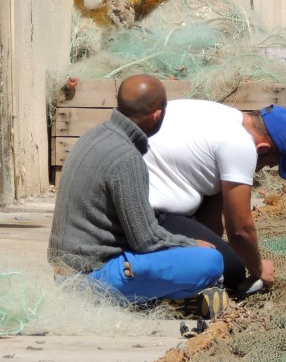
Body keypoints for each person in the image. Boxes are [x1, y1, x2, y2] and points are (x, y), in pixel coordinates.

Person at [48, 74, 225, 308]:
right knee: (211, 261)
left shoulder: (94, 135)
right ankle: (149, 290)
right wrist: (190, 244)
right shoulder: (126, 158)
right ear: (157, 115)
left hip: (65, 272)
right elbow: (146, 240)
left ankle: (154, 291)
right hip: (93, 277)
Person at [144, 99, 286, 293]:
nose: (266, 168)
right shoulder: (241, 144)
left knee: (222, 254)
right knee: (231, 269)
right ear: (262, 148)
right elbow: (240, 230)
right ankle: (146, 274)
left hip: (131, 201)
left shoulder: (221, 116)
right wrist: (259, 268)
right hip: (148, 218)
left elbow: (212, 224)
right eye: (270, 162)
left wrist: (217, 245)